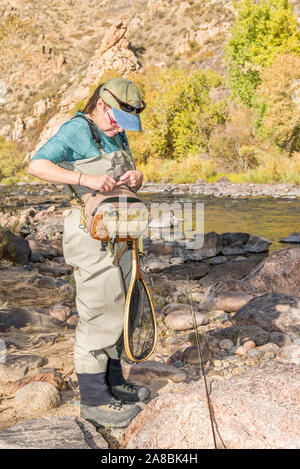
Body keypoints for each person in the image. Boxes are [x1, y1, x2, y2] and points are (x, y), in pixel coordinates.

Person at [28, 78, 150, 429]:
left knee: (122, 304)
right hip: (89, 235)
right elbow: (37, 165)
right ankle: (94, 399)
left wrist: (134, 178)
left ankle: (114, 382)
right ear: (100, 105)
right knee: (98, 309)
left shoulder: (115, 132)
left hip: (121, 233)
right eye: (116, 119)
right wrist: (85, 179)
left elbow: (117, 177)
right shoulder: (76, 130)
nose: (118, 128)